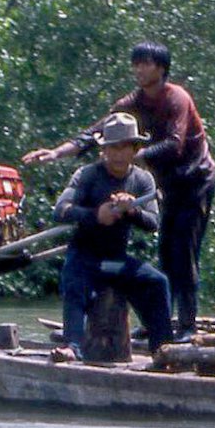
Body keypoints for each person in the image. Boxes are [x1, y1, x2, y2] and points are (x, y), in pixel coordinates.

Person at [25, 42, 215, 337]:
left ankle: (188, 324)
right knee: (165, 250)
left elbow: (175, 144)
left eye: (145, 63)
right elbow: (97, 132)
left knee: (184, 251)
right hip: (167, 185)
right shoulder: (133, 102)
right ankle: (158, 321)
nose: (138, 69)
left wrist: (131, 156)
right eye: (136, 63)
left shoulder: (176, 97)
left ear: (161, 68)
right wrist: (56, 152)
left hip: (195, 181)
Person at [50, 112, 174, 362]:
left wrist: (132, 211)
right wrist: (96, 215)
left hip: (116, 260)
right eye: (113, 148)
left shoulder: (142, 179)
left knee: (158, 282)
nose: (118, 154)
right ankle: (72, 346)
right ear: (104, 150)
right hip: (86, 258)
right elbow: (61, 211)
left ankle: (163, 350)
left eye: (125, 147)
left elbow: (152, 223)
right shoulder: (87, 175)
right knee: (74, 283)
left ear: (135, 149)